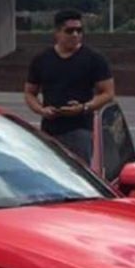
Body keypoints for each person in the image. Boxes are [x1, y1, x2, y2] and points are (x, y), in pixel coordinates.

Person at [24, 9, 115, 164]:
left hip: (80, 128)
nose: (75, 35)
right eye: (70, 31)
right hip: (50, 128)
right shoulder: (42, 59)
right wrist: (41, 110)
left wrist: (84, 107)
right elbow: (29, 92)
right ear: (57, 33)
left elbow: (108, 93)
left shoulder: (94, 59)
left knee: (78, 171)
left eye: (79, 30)